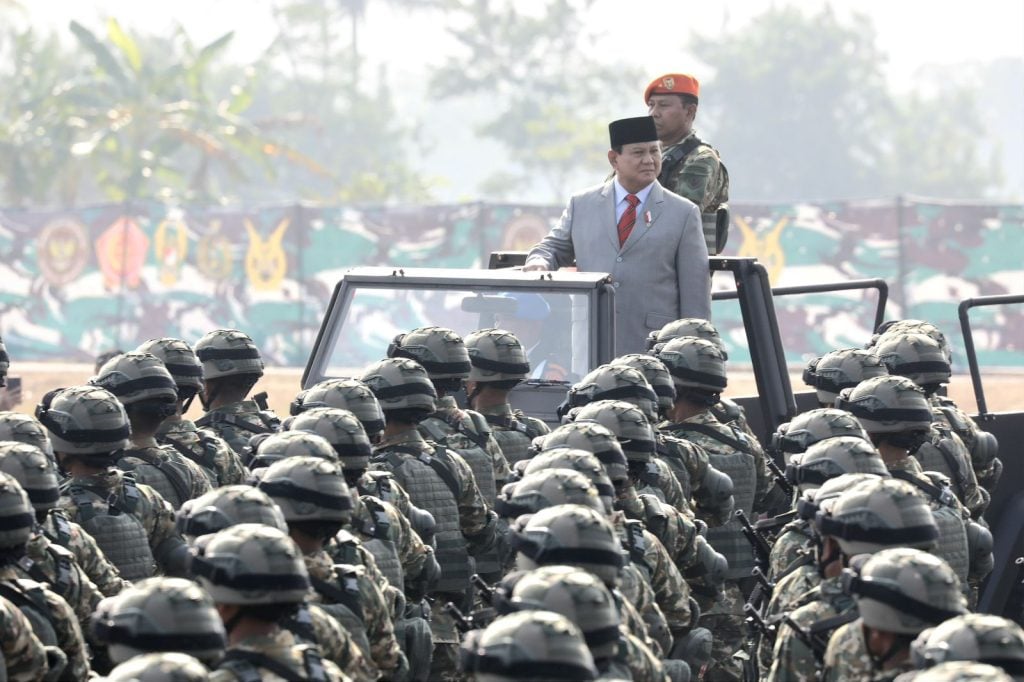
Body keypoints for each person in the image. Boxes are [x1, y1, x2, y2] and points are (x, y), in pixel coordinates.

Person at [523, 116, 710, 355]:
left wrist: (692, 354)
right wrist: (539, 262)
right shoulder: (583, 205)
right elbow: (552, 247)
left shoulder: (683, 213)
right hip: (591, 345)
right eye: (638, 152)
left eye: (654, 151)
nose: (649, 160)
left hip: (654, 353)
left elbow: (696, 299)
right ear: (614, 159)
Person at [645, 73, 730, 254]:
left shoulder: (700, 159)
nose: (654, 113)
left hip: (678, 270)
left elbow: (678, 220)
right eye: (651, 105)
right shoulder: (642, 155)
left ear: (689, 111)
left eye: (664, 105)